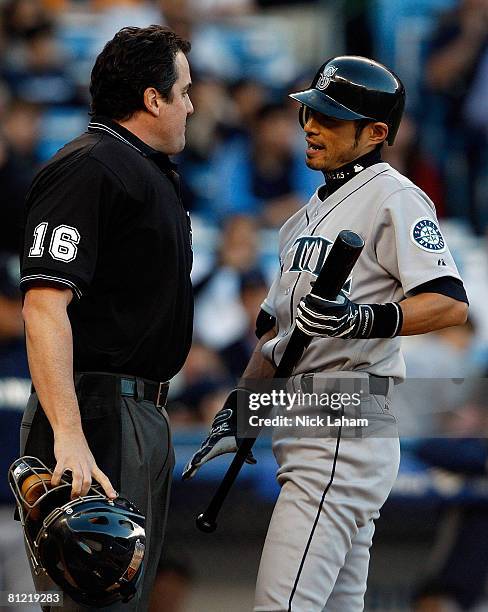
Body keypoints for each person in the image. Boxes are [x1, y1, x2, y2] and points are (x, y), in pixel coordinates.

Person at [183, 56, 469, 611]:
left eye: (332, 119)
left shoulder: (394, 195)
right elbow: (273, 334)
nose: (312, 127)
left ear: (376, 133)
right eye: (311, 114)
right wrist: (242, 409)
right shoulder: (300, 217)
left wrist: (362, 318)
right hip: (308, 424)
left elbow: (449, 303)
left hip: (345, 420)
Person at [19, 25, 194, 610]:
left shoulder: (142, 169)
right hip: (96, 412)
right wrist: (69, 435)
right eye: (184, 92)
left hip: (133, 411)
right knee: (93, 600)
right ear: (152, 98)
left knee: (119, 599)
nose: (191, 105)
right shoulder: (91, 166)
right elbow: (44, 306)